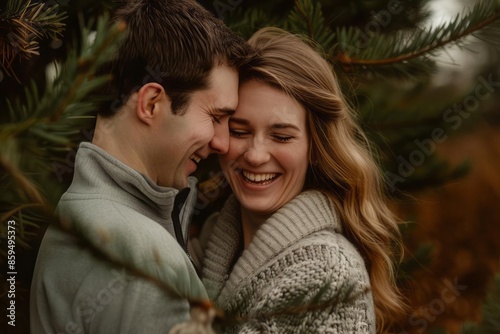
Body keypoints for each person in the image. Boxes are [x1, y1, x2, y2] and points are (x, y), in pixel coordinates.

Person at [30, 1, 252, 333]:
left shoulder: (76, 215)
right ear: (150, 103)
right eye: (216, 117)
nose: (223, 142)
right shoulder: (144, 259)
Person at [195, 27, 407, 333]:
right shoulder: (211, 242)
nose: (255, 156)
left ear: (316, 148)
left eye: (281, 136)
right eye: (239, 131)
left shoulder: (328, 276)